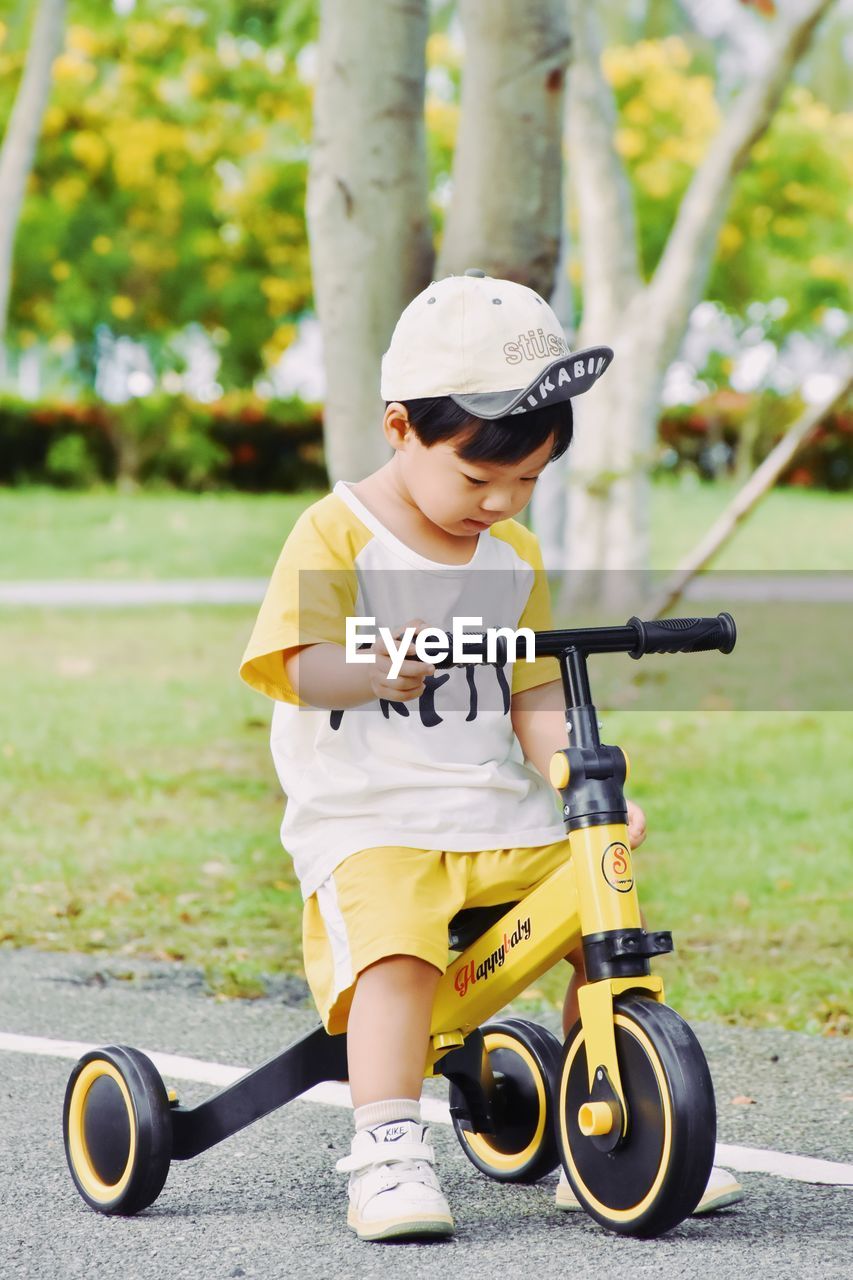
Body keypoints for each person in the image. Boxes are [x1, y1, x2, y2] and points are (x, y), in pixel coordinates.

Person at [240, 270, 742, 1241]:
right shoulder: (338, 532)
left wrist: (580, 787)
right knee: (395, 958)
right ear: (400, 429)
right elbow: (292, 664)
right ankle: (385, 1147)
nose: (503, 500)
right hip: (371, 813)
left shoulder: (511, 560)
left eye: (529, 479)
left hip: (485, 807)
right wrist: (370, 668)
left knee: (601, 906)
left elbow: (536, 693)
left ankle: (612, 1116)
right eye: (478, 478)